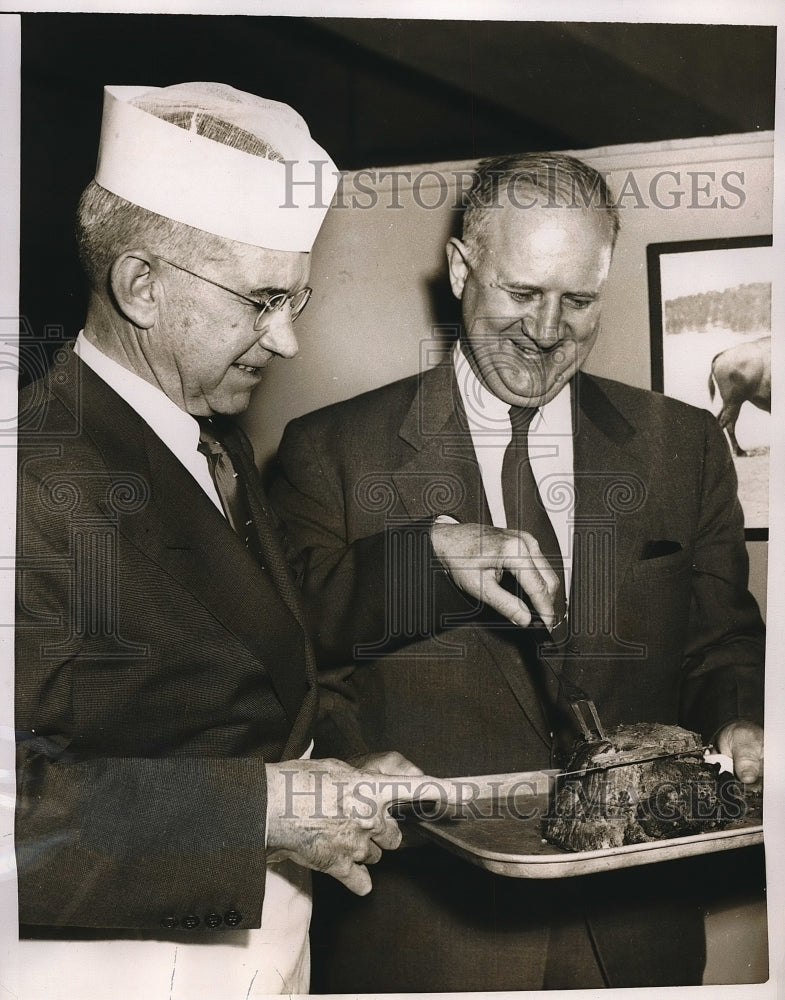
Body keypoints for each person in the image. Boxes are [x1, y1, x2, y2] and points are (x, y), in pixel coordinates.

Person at [270, 152, 766, 990]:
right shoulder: (330, 452)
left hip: (636, 938)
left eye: (578, 301)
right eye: (522, 293)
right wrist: (423, 565)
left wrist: (741, 721)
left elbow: (720, 645)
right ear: (462, 270)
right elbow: (296, 655)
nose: (545, 329)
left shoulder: (682, 446)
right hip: (427, 938)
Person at [14, 81, 427, 1000]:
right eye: (262, 300)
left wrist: (325, 774)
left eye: (296, 297)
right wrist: (265, 811)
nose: (286, 341)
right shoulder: (31, 477)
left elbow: (238, 657)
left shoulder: (211, 438)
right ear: (141, 287)